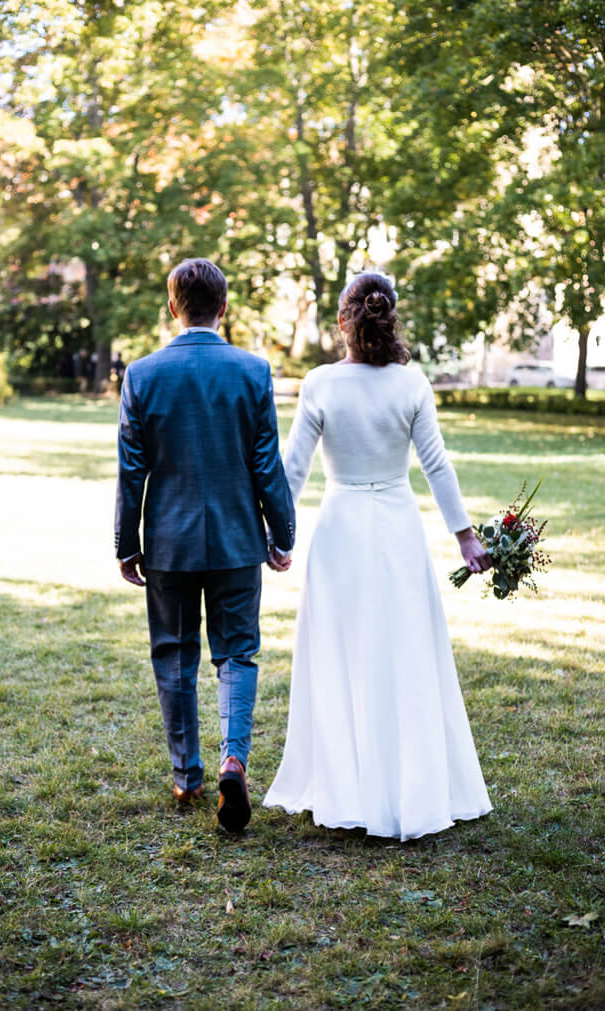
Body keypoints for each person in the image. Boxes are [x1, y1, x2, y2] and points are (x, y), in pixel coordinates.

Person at [262, 273, 493, 840]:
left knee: (342, 655)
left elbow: (295, 468)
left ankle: (348, 788)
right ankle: (409, 786)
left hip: (340, 532)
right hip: (396, 532)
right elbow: (436, 465)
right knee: (403, 652)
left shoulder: (319, 384)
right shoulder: (412, 384)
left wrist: (279, 535)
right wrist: (464, 535)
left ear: (344, 320)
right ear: (389, 317)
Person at [114, 257, 295, 832]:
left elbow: (130, 471)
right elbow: (267, 464)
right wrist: (282, 532)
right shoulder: (252, 371)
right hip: (239, 540)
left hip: (168, 542)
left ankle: (188, 776)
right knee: (237, 653)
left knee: (174, 653)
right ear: (224, 308)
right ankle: (233, 758)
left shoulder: (142, 375)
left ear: (173, 307)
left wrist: (126, 542)